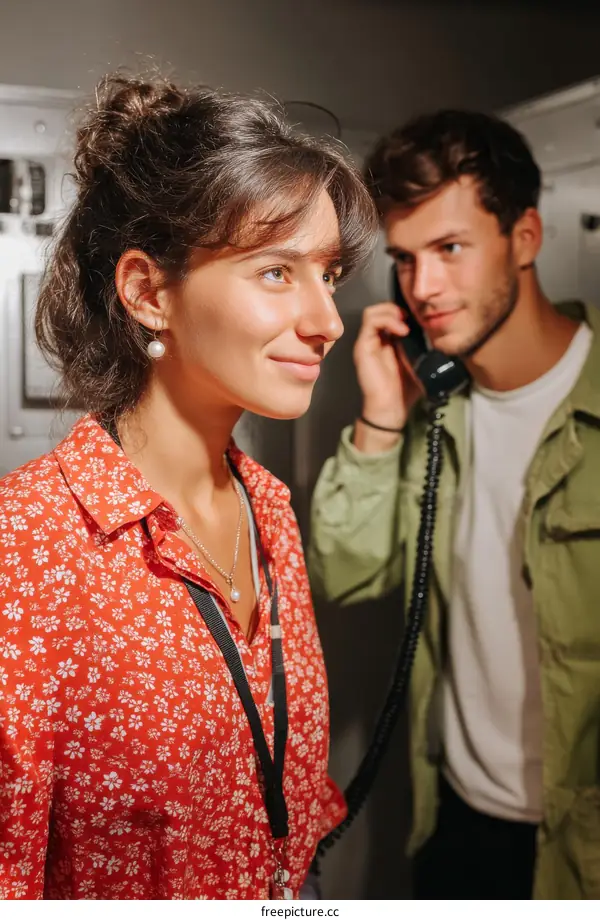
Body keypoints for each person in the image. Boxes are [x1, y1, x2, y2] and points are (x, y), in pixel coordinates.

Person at [0, 72, 378, 900]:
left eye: (330, 273)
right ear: (147, 293)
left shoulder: (270, 505)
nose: (327, 320)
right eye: (278, 273)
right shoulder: (26, 546)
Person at [308, 109, 600, 899]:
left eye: (450, 250)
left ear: (527, 238)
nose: (423, 286)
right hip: (458, 823)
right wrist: (380, 416)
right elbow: (342, 573)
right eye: (406, 259)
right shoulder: (438, 412)